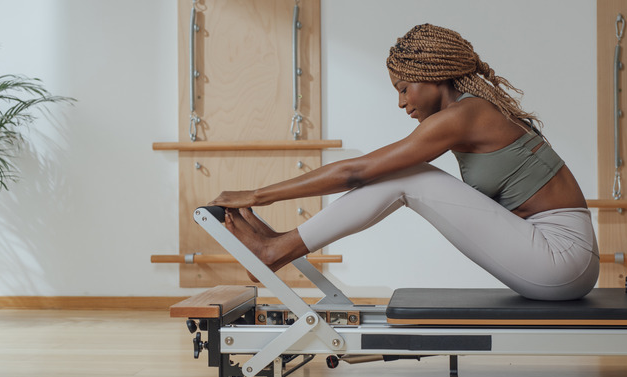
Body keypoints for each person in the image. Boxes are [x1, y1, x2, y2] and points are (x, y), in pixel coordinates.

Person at [209, 23, 599, 301]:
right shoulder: (470, 112)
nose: (401, 102)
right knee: (407, 175)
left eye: (404, 88)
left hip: (561, 259)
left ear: (433, 76)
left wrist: (259, 194)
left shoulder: (463, 116)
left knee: (409, 177)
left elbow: (357, 171)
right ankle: (278, 245)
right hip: (555, 256)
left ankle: (278, 249)